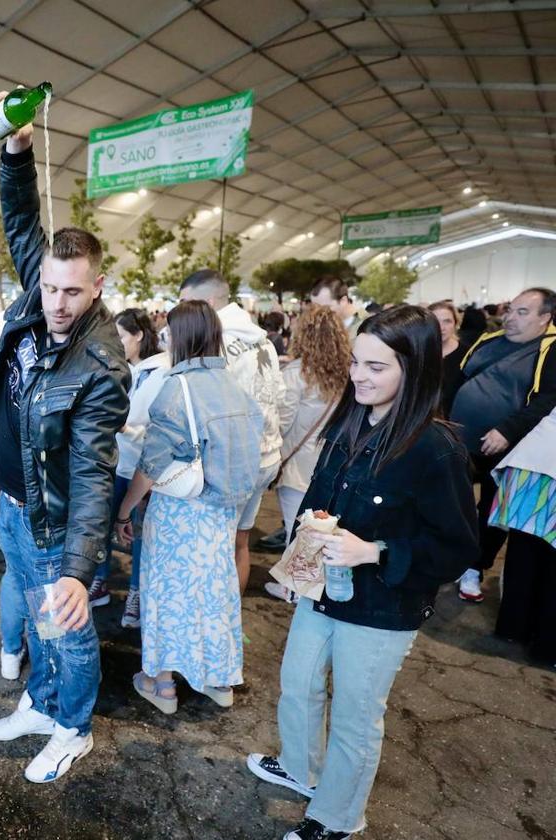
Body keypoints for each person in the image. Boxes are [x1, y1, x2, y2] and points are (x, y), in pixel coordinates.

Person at [246, 305, 477, 840]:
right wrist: (296, 563)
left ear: (413, 369)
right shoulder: (352, 417)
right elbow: (319, 500)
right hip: (321, 592)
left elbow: (457, 547)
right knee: (298, 686)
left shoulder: (435, 448)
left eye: (377, 367)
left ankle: (338, 818)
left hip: (382, 609)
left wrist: (374, 551)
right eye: (357, 362)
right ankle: (304, 771)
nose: (359, 376)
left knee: (354, 716)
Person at [0, 90, 130, 784]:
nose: (57, 304)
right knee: (41, 626)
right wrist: (16, 147)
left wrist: (76, 568)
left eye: (73, 292)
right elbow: (18, 217)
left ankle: (73, 727)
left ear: (96, 287)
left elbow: (98, 473)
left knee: (67, 630)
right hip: (11, 503)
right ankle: (41, 704)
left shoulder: (102, 364)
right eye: (49, 289)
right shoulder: (35, 295)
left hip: (54, 522)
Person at [116, 301, 262, 715]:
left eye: (168, 334)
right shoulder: (236, 388)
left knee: (165, 595)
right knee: (214, 594)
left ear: (181, 337)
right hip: (222, 513)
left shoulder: (176, 389)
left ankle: (161, 685)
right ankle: (219, 679)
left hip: (180, 513)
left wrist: (125, 509)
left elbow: (150, 465)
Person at [179, 270, 286, 597]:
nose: (179, 312)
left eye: (185, 303)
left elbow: (205, 406)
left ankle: (212, 621)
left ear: (208, 302)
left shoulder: (216, 339)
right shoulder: (263, 339)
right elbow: (279, 394)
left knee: (210, 547)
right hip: (266, 455)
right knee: (240, 541)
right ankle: (229, 619)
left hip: (231, 462)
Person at [450, 287, 556, 603]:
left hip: (507, 446)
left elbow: (547, 400)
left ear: (545, 318)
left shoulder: (550, 351)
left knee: (491, 513)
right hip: (459, 439)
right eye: (510, 310)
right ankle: (446, 557)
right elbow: (459, 379)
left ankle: (474, 567)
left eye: (523, 312)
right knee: (451, 501)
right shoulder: (489, 341)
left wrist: (507, 431)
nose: (510, 318)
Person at [262, 306, 350, 601]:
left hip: (298, 465)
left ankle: (294, 591)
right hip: (332, 464)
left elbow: (281, 423)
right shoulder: (345, 374)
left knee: (298, 529)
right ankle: (307, 585)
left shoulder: (297, 374)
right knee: (321, 528)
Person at [86, 308, 168, 626]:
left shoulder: (159, 372)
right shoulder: (130, 368)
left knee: (139, 534)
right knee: (104, 525)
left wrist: (122, 426)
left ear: (138, 335)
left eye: (121, 336)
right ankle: (101, 581)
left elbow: (157, 426)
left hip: (142, 468)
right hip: (116, 462)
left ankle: (136, 593)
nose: (116, 343)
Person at [487, 408, 556, 663]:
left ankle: (512, 628)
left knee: (523, 552)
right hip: (539, 466)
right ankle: (548, 647)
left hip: (531, 464)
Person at [428, 300, 468, 418]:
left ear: (456, 324)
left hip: (455, 420)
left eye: (447, 321)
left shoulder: (469, 354)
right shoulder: (419, 352)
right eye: (435, 321)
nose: (441, 327)